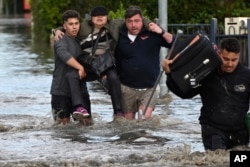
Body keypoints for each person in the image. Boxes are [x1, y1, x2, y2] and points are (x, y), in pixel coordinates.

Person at [53, 6, 152, 119]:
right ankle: (78, 107)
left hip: (106, 63)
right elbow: (69, 27)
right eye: (96, 18)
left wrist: (149, 24)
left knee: (113, 77)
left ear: (107, 18)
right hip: (88, 63)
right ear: (91, 19)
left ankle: (118, 110)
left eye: (102, 17)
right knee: (72, 75)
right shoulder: (83, 27)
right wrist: (57, 31)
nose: (99, 20)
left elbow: (135, 19)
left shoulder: (115, 24)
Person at [163, 37, 250, 150]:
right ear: (219, 53)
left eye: (234, 60)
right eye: (226, 59)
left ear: (239, 56)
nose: (229, 64)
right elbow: (184, 93)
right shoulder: (207, 72)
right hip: (213, 130)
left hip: (240, 133)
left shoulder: (247, 76)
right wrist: (169, 74)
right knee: (217, 162)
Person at [115, 5, 173, 120]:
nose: (133, 25)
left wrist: (161, 31)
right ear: (125, 23)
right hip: (127, 88)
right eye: (130, 21)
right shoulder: (119, 35)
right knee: (128, 126)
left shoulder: (152, 34)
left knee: (144, 120)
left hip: (149, 88)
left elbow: (173, 42)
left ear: (142, 21)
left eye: (137, 21)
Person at [50, 9, 91, 125]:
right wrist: (80, 68)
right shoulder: (60, 38)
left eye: (76, 23)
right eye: (71, 24)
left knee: (87, 124)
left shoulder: (82, 39)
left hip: (81, 89)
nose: (74, 27)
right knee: (62, 127)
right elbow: (63, 54)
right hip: (61, 90)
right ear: (64, 26)